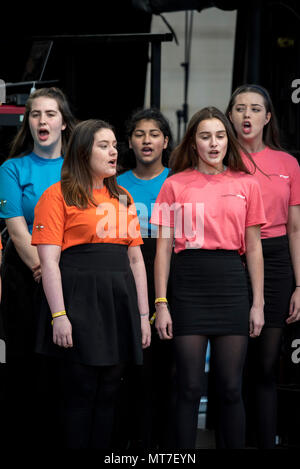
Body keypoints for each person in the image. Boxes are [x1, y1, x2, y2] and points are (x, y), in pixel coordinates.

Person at [150, 106, 266, 449]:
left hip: (231, 282)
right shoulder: (174, 184)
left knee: (230, 387)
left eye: (219, 136)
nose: (213, 143)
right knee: (188, 387)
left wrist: (257, 303)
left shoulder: (247, 183)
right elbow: (163, 250)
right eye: (205, 136)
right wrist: (162, 303)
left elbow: (255, 248)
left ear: (228, 140)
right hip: (188, 285)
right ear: (193, 141)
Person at [31, 119, 151, 449]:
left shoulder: (123, 196)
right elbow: (50, 263)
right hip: (78, 302)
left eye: (115, 145)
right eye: (104, 145)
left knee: (112, 388)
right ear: (83, 152)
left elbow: (136, 260)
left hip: (118, 303)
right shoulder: (57, 196)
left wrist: (143, 316)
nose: (114, 152)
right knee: (80, 390)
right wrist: (59, 315)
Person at [0, 87, 76, 447]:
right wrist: (46, 271)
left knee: (67, 366)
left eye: (50, 114)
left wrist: (59, 273)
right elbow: (16, 229)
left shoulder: (79, 166)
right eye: (35, 115)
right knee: (26, 362)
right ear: (27, 122)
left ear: (63, 122)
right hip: (28, 274)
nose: (42, 121)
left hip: (71, 272)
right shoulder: (12, 168)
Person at [226, 84, 300, 448]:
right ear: (230, 115)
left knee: (266, 366)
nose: (246, 115)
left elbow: (296, 228)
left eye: (255, 109)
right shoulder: (220, 161)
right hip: (231, 259)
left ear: (268, 117)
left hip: (276, 259)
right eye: (239, 108)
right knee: (233, 366)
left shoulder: (288, 164)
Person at [115, 108, 176, 449]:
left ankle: (161, 443)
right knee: (131, 362)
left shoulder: (177, 181)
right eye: (139, 133)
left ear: (166, 141)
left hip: (167, 274)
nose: (147, 140)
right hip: (127, 273)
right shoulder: (116, 183)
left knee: (163, 364)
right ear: (129, 142)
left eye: (154, 134)